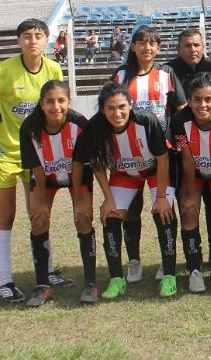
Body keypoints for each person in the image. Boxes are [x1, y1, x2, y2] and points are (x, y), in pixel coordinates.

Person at [0, 18, 66, 303]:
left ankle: (48, 270)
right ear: (19, 41)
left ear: (47, 40)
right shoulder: (4, 70)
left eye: (38, 35)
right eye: (26, 36)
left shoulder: (53, 69)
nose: (33, 41)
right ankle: (5, 281)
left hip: (36, 155)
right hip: (4, 153)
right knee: (6, 216)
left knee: (39, 213)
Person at [72, 82, 179, 298]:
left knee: (163, 212)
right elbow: (97, 164)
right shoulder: (96, 126)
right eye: (110, 108)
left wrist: (161, 197)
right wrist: (108, 198)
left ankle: (169, 274)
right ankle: (116, 279)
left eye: (122, 106)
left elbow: (162, 158)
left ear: (130, 104)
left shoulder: (146, 120)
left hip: (155, 171)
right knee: (110, 215)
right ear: (103, 110)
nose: (117, 113)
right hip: (124, 175)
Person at [111, 26, 186, 284]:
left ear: (159, 48)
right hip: (128, 156)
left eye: (153, 43)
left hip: (161, 156)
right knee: (131, 210)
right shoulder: (121, 75)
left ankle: (167, 261)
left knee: (164, 209)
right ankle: (134, 260)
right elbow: (109, 109)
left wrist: (180, 143)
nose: (147, 47)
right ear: (133, 46)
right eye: (142, 42)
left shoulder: (166, 74)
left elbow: (182, 109)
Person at [19, 80, 98, 306]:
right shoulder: (29, 127)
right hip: (45, 177)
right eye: (50, 101)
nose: (56, 107)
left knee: (83, 218)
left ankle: (90, 283)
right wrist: (39, 200)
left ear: (69, 102)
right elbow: (36, 168)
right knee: (38, 219)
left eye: (61, 100)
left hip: (77, 175)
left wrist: (79, 197)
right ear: (41, 104)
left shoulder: (79, 124)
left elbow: (79, 163)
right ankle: (43, 285)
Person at [171, 74, 211, 292]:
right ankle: (194, 270)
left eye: (208, 99)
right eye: (197, 99)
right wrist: (190, 192)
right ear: (189, 101)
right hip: (194, 173)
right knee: (189, 208)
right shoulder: (179, 120)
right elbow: (186, 157)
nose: (203, 105)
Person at [166, 28, 211, 263]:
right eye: (187, 45)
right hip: (183, 146)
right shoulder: (168, 70)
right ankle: (193, 255)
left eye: (196, 45)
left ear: (203, 46)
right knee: (188, 203)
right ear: (178, 48)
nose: (192, 49)